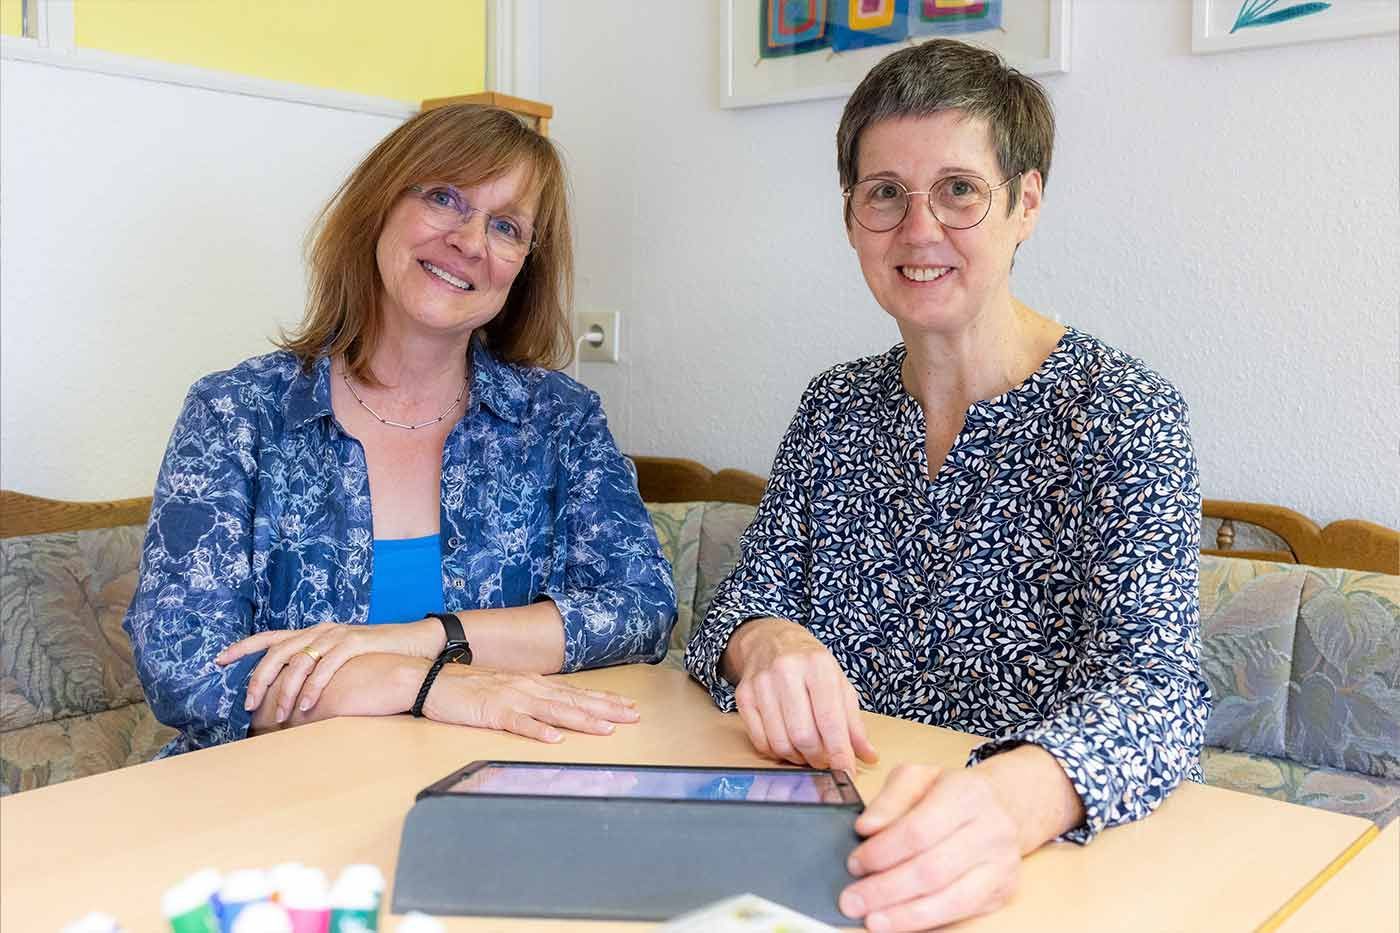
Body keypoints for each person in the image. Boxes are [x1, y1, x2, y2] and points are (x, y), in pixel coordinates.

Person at [685, 39, 1210, 931]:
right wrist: (765, 642)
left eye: (959, 190)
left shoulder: (1124, 414)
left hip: (1035, 878)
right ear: (852, 217)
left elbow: (1159, 695)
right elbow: (733, 618)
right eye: (884, 192)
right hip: (829, 854)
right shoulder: (834, 408)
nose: (918, 229)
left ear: (1026, 203)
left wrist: (1013, 801)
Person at [124, 105, 675, 758]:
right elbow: (182, 662)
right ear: (379, 206)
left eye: (505, 226)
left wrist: (423, 638)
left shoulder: (561, 420)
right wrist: (429, 684)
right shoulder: (236, 413)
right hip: (269, 807)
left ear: (523, 265)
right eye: (445, 197)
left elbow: (642, 610)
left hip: (485, 798)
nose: (470, 241)